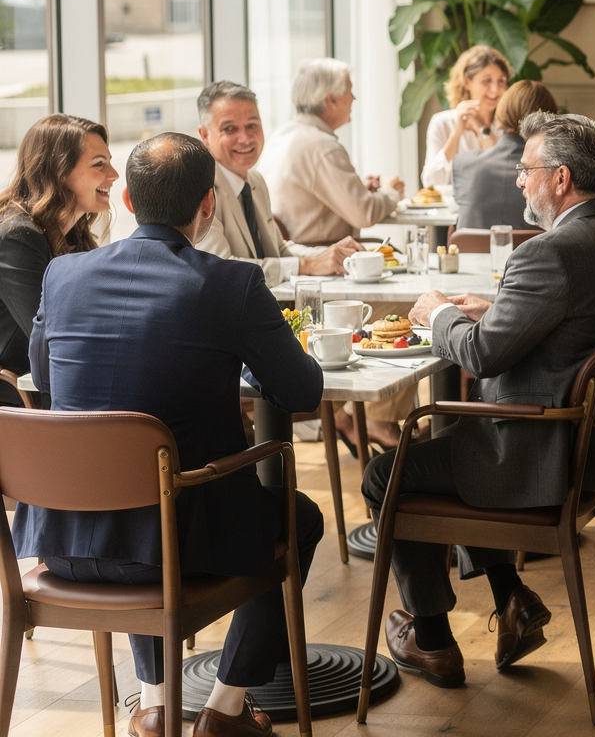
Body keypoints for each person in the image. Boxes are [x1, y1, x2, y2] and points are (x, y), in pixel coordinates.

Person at [13, 133, 324, 737]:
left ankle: (156, 706)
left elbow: (46, 380)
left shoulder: (63, 275)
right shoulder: (232, 285)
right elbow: (303, 393)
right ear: (208, 205)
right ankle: (225, 709)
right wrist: (249, 353)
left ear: (127, 199)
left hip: (60, 538)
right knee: (299, 517)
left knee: (135, 488)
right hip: (179, 543)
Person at [371, 112, 595, 688]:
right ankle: (513, 599)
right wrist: (494, 309)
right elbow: (569, 325)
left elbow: (479, 356)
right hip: (589, 453)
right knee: (452, 448)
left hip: (533, 455)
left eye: (527, 170)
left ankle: (431, 642)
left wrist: (439, 314)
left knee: (388, 473)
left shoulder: (547, 254)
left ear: (561, 178)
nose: (519, 182)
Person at [194, 80, 361, 285]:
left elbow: (278, 249)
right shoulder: (200, 191)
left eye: (252, 125)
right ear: (204, 136)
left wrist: (334, 254)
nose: (245, 138)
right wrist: (307, 265)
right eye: (230, 129)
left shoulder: (255, 181)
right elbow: (224, 268)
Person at [0, 114, 115, 409]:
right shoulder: (17, 236)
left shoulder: (74, 234)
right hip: (18, 402)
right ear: (59, 171)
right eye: (99, 164)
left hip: (50, 391)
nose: (113, 174)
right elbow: (57, 336)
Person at [258, 58, 405, 245]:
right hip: (320, 256)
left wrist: (359, 189)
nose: (354, 98)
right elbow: (365, 214)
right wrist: (390, 191)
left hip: (292, 251)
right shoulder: (322, 146)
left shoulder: (280, 136)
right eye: (349, 91)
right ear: (331, 100)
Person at [451, 79, 557, 230]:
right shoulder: (555, 173)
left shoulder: (463, 163)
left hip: (474, 253)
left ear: (501, 114)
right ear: (550, 118)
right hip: (536, 253)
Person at [421, 44, 511, 188]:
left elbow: (504, 176)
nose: (495, 90)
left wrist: (482, 128)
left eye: (501, 81)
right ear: (467, 81)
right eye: (486, 81)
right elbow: (430, 182)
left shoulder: (508, 126)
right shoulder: (442, 123)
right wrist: (456, 133)